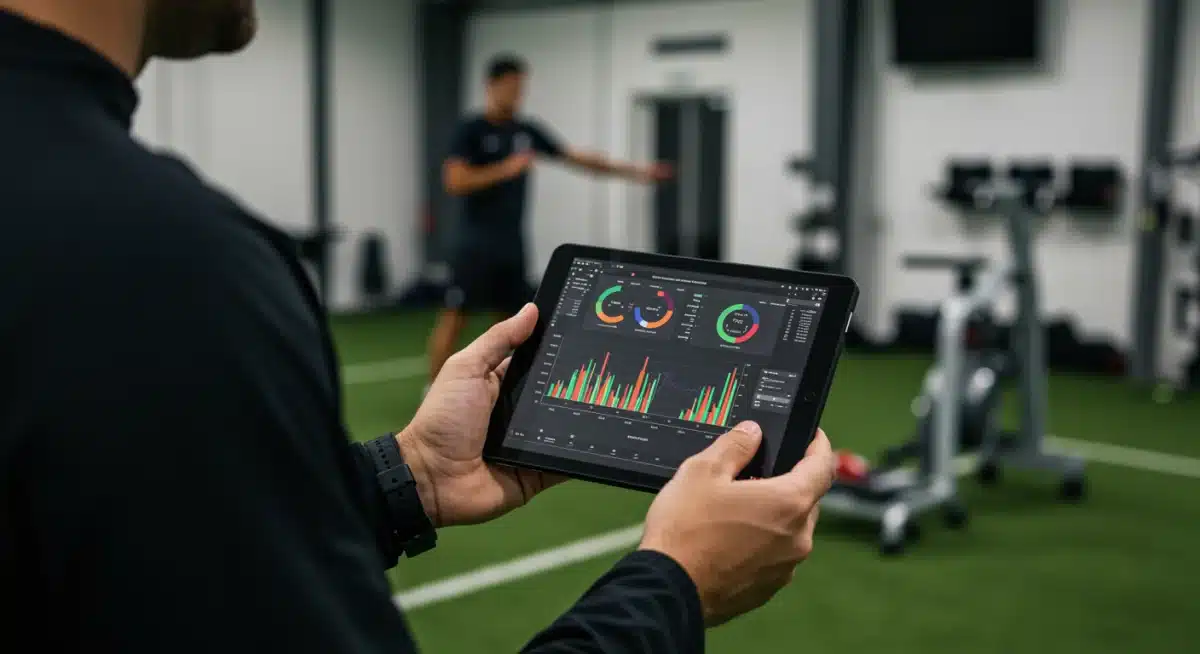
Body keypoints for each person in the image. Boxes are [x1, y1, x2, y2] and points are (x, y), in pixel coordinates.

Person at [0, 2, 837, 653]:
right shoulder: (169, 263)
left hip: (507, 258)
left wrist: (408, 478)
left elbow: (147, 563)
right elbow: (457, 178)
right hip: (475, 238)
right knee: (461, 320)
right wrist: (677, 586)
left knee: (520, 330)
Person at [428, 54, 673, 384]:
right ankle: (433, 390)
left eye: (521, 88)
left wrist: (639, 172)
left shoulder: (526, 130)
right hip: (474, 244)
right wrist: (506, 169)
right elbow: (454, 182)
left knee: (513, 323)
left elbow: (578, 158)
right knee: (455, 317)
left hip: (511, 244)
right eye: (511, 87)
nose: (516, 94)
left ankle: (499, 389)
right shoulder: (471, 130)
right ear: (491, 86)